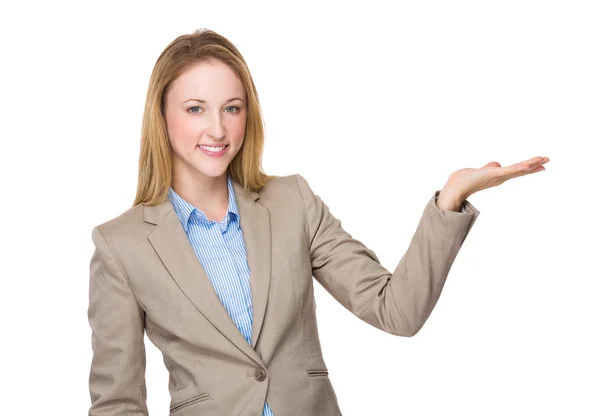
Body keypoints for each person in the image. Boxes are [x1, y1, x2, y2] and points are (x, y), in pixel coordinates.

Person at [87, 28, 550, 416]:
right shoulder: (121, 245)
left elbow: (397, 311)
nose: (217, 129)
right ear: (162, 117)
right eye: (195, 109)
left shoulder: (292, 202)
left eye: (232, 107)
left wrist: (449, 200)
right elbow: (117, 403)